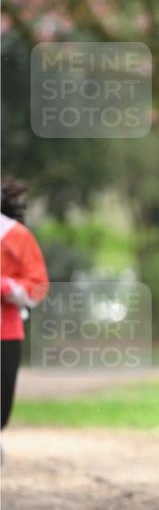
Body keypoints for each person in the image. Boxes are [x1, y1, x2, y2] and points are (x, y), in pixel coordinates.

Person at [1, 178, 49, 432]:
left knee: (2, 404)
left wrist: (7, 287)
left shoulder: (14, 235)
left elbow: (38, 284)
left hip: (6, 330)